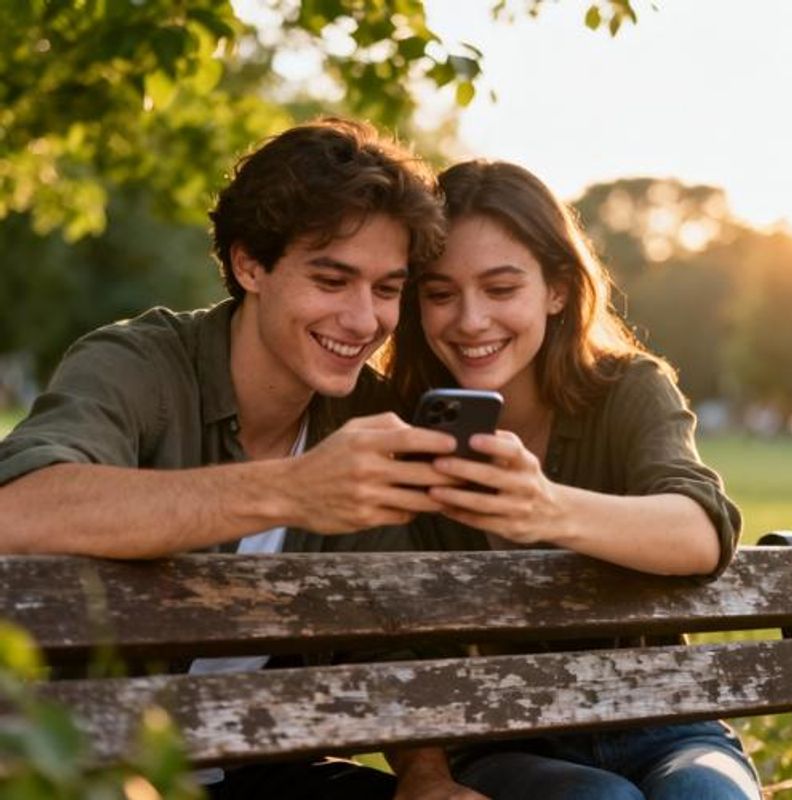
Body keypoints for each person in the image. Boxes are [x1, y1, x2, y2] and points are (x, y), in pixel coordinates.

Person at [0, 118, 460, 799]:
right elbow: (18, 510)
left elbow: (390, 634)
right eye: (332, 280)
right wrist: (291, 489)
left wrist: (426, 779)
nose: (364, 321)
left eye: (387, 290)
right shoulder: (138, 364)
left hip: (257, 770)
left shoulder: (366, 415)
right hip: (81, 769)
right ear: (250, 265)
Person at [386, 160, 761, 799]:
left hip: (666, 724)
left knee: (705, 794)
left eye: (501, 289)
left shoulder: (627, 390)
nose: (471, 321)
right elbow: (388, 632)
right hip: (509, 742)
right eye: (441, 293)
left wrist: (547, 509)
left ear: (557, 288)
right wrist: (424, 775)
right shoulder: (394, 426)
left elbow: (700, 529)